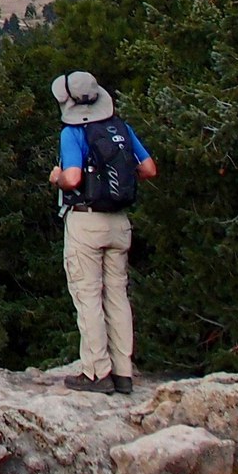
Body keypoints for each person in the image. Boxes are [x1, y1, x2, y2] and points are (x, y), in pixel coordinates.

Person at [47, 70, 157, 395]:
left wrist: (56, 178)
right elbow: (149, 169)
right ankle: (124, 372)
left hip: (86, 221)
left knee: (88, 295)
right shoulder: (121, 129)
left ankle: (97, 372)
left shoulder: (72, 133)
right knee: (118, 295)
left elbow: (73, 178)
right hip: (119, 222)